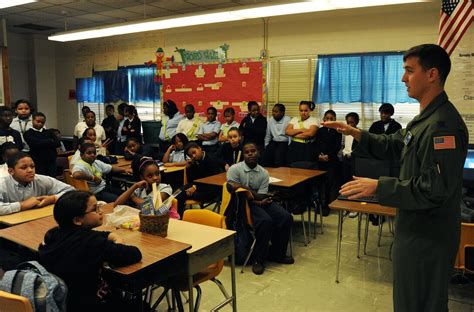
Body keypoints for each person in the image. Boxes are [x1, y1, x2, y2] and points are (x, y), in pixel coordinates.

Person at [323, 44, 468, 312]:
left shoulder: (443, 126)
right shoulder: (425, 118)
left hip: (428, 237)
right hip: (414, 228)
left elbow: (434, 190)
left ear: (432, 74)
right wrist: (355, 133)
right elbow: (395, 144)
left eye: (410, 71)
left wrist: (379, 186)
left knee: (421, 304)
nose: (403, 78)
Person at [39, 190, 142, 312]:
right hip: (89, 304)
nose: (101, 211)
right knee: (139, 306)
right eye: (95, 209)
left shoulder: (54, 234)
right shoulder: (91, 243)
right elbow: (135, 254)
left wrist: (113, 235)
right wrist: (117, 245)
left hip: (61, 301)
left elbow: (97, 235)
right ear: (78, 220)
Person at [227, 142, 294, 275]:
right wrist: (250, 193)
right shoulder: (234, 169)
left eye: (253, 151)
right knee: (265, 221)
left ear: (259, 153)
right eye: (247, 152)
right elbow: (231, 189)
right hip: (242, 203)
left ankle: (277, 253)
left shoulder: (263, 172)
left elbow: (262, 195)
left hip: (260, 200)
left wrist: (247, 190)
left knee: (286, 217)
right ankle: (259, 260)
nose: (250, 154)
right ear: (243, 155)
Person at [0, 152, 74, 216]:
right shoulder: (2, 184)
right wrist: (21, 205)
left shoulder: (41, 180)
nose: (30, 170)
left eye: (32, 166)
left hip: (36, 219)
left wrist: (53, 198)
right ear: (11, 171)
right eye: (24, 167)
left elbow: (72, 191)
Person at [114, 158, 179, 219]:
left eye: (157, 174)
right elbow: (116, 205)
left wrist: (133, 197)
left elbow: (150, 207)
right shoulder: (140, 190)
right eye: (150, 176)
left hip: (162, 222)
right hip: (144, 221)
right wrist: (134, 186)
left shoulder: (165, 188)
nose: (155, 178)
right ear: (142, 178)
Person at [182, 142, 226, 215]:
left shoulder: (211, 159)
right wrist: (189, 168)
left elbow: (212, 181)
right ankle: (178, 217)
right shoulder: (193, 162)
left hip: (210, 189)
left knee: (187, 193)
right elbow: (191, 180)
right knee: (178, 192)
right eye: (190, 155)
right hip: (197, 187)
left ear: (199, 148)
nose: (193, 156)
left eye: (194, 152)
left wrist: (195, 187)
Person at [314, 110, 342, 215]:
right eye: (327, 118)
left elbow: (337, 147)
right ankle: (320, 204)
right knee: (320, 183)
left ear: (335, 120)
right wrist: (319, 155)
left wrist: (328, 156)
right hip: (320, 160)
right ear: (324, 119)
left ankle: (327, 205)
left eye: (332, 118)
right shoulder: (320, 131)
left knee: (330, 183)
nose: (329, 120)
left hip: (331, 161)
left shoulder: (338, 132)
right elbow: (316, 144)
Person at [23, 112, 61, 177]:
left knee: (52, 180)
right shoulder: (28, 133)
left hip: (51, 161)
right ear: (32, 120)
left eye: (42, 122)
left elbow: (57, 143)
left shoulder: (49, 132)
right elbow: (34, 144)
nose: (40, 124)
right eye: (38, 121)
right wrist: (49, 141)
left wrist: (41, 142)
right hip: (37, 161)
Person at [285, 101, 318, 165]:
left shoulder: (314, 120)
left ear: (309, 110)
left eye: (305, 110)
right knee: (292, 167)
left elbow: (310, 134)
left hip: (307, 147)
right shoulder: (294, 119)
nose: (303, 113)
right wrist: (302, 130)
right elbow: (287, 131)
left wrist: (293, 134)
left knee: (306, 168)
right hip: (294, 146)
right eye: (301, 110)